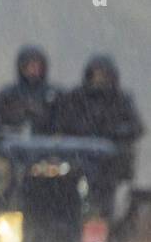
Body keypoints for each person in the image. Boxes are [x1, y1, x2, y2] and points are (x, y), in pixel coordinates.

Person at [52, 54, 144, 182]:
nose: (100, 79)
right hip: (77, 154)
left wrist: (114, 132)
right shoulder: (76, 97)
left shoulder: (121, 99)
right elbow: (61, 121)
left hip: (111, 159)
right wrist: (82, 130)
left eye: (104, 75)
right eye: (96, 74)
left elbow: (136, 127)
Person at [0, 45, 59, 148]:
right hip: (13, 148)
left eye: (37, 65)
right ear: (22, 67)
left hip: (48, 148)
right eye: (30, 65)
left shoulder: (54, 94)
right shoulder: (8, 95)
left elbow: (61, 124)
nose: (34, 69)